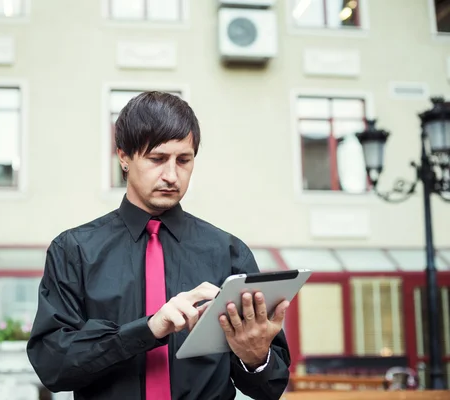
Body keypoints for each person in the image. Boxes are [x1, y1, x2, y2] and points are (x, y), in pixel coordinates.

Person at [27, 91, 291, 400]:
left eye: (183, 160)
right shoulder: (74, 250)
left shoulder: (228, 251)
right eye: (157, 159)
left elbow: (270, 387)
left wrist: (256, 358)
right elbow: (52, 367)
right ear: (123, 157)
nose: (171, 175)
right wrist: (149, 329)